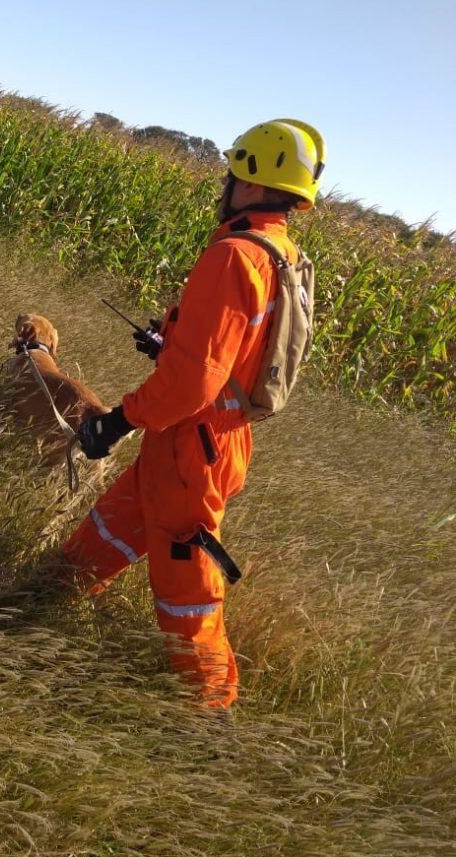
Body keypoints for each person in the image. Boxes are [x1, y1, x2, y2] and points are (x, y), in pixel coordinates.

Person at [64, 119, 326, 709]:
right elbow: (230, 356)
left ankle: (207, 711)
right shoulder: (280, 253)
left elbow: (193, 383)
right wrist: (170, 342)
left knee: (189, 595)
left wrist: (118, 421)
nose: (226, 181)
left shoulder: (235, 255)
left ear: (254, 182)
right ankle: (57, 593)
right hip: (199, 440)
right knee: (111, 528)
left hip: (194, 445)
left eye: (235, 170)